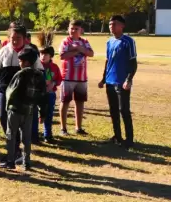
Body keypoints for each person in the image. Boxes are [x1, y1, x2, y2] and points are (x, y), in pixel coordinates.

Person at [0, 26, 43, 142]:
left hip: (24, 91)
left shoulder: (31, 52)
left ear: (25, 38)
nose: (15, 41)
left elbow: (40, 72)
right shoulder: (4, 50)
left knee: (24, 117)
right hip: (5, 89)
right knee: (2, 115)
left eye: (18, 38)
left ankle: (25, 139)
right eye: (12, 38)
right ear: (8, 38)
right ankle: (13, 141)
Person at [0, 47, 47, 171]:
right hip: (29, 111)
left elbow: (11, 92)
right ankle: (27, 163)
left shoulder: (20, 74)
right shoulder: (40, 75)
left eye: (20, 61)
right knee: (26, 138)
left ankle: (10, 161)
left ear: (25, 62)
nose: (19, 63)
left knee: (11, 135)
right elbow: (42, 95)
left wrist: (8, 107)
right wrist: (43, 111)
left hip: (15, 110)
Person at [99, 15, 137, 149]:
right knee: (113, 110)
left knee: (124, 110)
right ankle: (117, 136)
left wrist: (128, 80)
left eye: (114, 24)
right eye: (110, 24)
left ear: (122, 26)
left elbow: (133, 63)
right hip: (110, 81)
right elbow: (108, 61)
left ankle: (129, 139)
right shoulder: (109, 42)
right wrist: (103, 79)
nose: (111, 27)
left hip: (122, 82)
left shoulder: (128, 41)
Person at [58, 20, 94, 136]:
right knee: (65, 102)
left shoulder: (85, 41)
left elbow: (91, 53)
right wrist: (76, 51)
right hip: (68, 77)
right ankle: (63, 128)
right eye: (71, 28)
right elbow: (63, 55)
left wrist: (80, 49)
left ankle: (78, 127)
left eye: (76, 29)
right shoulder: (65, 41)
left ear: (81, 30)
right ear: (68, 29)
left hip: (81, 78)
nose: (73, 31)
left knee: (80, 102)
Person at [39, 46, 62, 144]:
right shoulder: (37, 66)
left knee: (49, 114)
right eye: (41, 54)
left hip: (50, 94)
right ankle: (33, 134)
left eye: (45, 54)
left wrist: (53, 83)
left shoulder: (54, 67)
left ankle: (47, 134)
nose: (43, 56)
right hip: (38, 94)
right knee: (36, 114)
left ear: (51, 56)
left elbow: (59, 79)